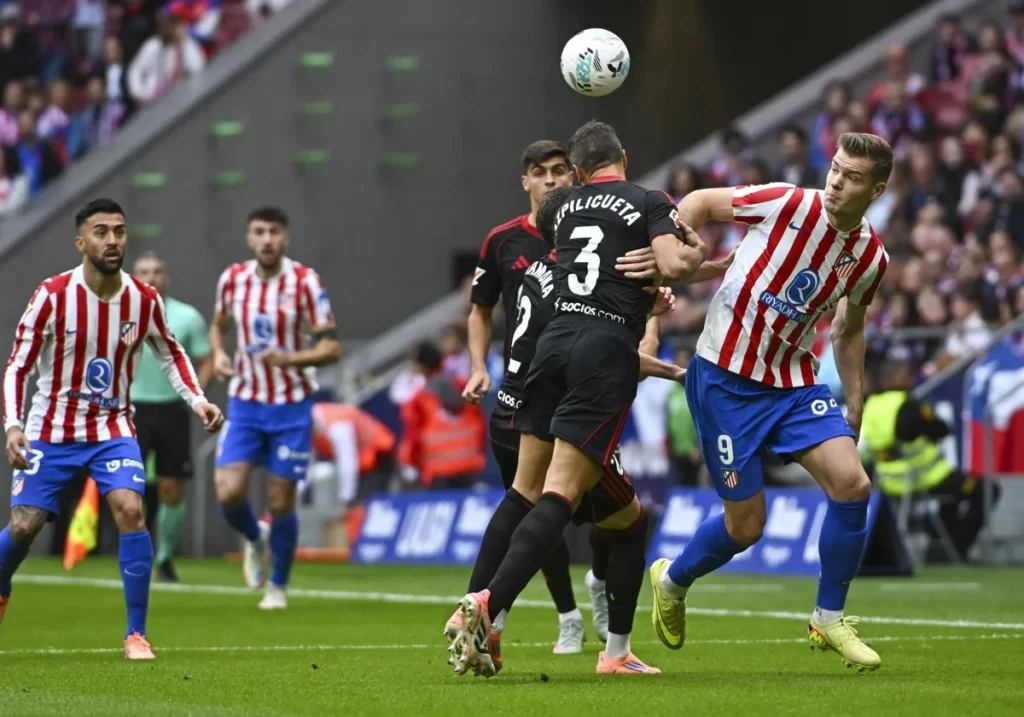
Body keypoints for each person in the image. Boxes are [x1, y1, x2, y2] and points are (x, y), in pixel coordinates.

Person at [449, 121, 707, 676]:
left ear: (579, 172)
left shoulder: (560, 212)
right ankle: (495, 606)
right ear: (624, 158)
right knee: (567, 497)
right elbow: (676, 265)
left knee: (527, 491)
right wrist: (693, 253)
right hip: (601, 352)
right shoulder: (649, 200)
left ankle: (487, 604)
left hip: (549, 351)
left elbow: (587, 253)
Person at [649, 132, 893, 672]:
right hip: (723, 380)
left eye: (852, 177)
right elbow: (701, 201)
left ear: (876, 190)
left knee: (853, 483)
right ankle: (672, 580)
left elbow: (848, 330)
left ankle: (828, 618)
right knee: (746, 527)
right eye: (835, 168)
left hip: (792, 383)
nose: (836, 182)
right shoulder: (788, 202)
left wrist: (855, 401)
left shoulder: (870, 257)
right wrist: (677, 247)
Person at [0, 198, 223, 659]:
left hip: (112, 428)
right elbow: (17, 366)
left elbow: (171, 352)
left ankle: (136, 634)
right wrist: (13, 425)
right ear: (81, 242)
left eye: (119, 231)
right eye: (101, 232)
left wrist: (198, 399)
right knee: (24, 526)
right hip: (50, 430)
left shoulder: (144, 299)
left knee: (130, 510)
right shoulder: (52, 295)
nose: (113, 240)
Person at [461, 139, 584, 652]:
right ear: (525, 181)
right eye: (540, 171)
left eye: (559, 170)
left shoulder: (591, 234)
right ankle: (565, 615)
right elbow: (480, 310)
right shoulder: (502, 240)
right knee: (537, 502)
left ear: (573, 176)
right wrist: (477, 366)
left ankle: (597, 596)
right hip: (523, 393)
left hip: (580, 391)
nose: (550, 179)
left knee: (597, 511)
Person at [209, 205, 341, 611]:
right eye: (259, 232)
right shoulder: (233, 279)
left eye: (274, 232)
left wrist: (290, 359)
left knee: (281, 501)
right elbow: (219, 325)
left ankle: (278, 586)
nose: (267, 239)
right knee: (228, 492)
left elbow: (331, 347)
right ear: (249, 238)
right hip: (246, 401)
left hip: (291, 405)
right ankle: (254, 537)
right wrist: (219, 354)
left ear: (286, 237)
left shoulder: (304, 282)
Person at [861, 359, 1000, 561]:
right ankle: (958, 549)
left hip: (887, 480)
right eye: (907, 375)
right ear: (894, 377)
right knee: (988, 489)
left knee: (952, 498)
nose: (911, 379)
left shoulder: (871, 405)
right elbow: (939, 428)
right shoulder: (907, 405)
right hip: (923, 476)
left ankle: (938, 550)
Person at [131, 251, 213, 583]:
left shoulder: (187, 317)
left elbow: (206, 359)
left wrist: (195, 397)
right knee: (128, 487)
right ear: (134, 277)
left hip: (171, 410)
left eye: (157, 271)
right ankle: (135, 555)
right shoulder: (120, 312)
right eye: (144, 271)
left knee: (171, 487)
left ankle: (164, 557)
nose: (151, 276)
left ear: (166, 277)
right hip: (131, 409)